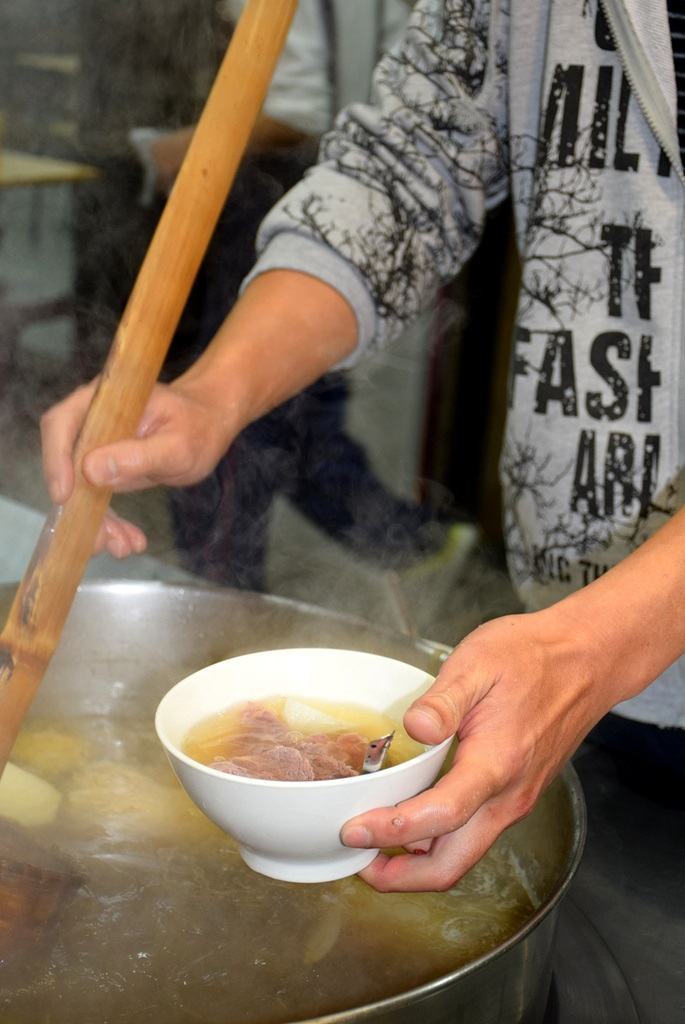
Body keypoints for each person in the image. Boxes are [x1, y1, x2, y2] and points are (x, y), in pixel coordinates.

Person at [41, 0, 685, 894]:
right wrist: (211, 391)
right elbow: (402, 172)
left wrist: (598, 643)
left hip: (586, 653)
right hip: (564, 659)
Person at [134, 0, 475, 590]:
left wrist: (177, 148)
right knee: (297, 414)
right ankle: (413, 539)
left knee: (242, 436)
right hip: (344, 207)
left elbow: (300, 110)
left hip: (285, 191)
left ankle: (220, 609)